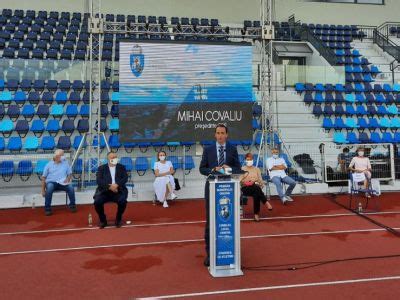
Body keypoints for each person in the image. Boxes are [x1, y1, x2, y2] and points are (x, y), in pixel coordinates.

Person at [199, 124, 241, 267]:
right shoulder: (208, 149)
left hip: (228, 189)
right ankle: (210, 254)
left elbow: (238, 168)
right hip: (211, 188)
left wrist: (228, 168)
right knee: (211, 221)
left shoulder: (232, 149)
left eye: (223, 133)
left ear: (227, 134)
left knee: (227, 220)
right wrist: (213, 169)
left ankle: (228, 252)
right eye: (218, 133)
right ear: (215, 135)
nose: (220, 135)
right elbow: (202, 169)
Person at [94, 152, 128, 228]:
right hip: (104, 191)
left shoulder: (121, 167)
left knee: (123, 201)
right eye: (112, 157)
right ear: (108, 159)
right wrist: (109, 187)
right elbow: (99, 181)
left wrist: (117, 185)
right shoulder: (101, 168)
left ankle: (118, 219)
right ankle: (103, 220)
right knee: (97, 202)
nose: (114, 159)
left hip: (118, 190)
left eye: (115, 157)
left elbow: (125, 178)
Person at [41, 149, 77, 216]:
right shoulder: (48, 165)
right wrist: (43, 190)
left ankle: (72, 205)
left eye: (63, 155)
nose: (63, 157)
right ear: (56, 156)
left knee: (71, 187)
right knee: (50, 187)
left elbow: (70, 173)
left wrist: (68, 179)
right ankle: (47, 209)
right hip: (52, 182)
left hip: (63, 183)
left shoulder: (66, 163)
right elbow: (43, 177)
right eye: (62, 155)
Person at [240, 153, 272, 222]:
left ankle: (256, 215)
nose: (249, 161)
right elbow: (240, 181)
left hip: (255, 187)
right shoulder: (242, 169)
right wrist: (248, 182)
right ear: (245, 160)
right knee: (256, 189)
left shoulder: (257, 169)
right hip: (245, 187)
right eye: (247, 159)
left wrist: (261, 184)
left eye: (250, 159)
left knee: (256, 192)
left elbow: (260, 180)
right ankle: (265, 202)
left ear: (253, 160)